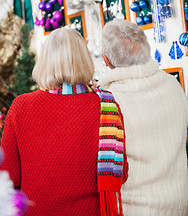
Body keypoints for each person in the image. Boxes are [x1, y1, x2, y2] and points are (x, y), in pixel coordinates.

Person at [0, 27, 128, 216]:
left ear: (44, 61)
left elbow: (8, 177)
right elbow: (120, 174)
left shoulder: (21, 107)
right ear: (84, 60)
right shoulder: (106, 106)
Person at [99, 18, 188, 216]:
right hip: (180, 202)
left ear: (106, 59)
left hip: (137, 208)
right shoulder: (173, 85)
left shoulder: (109, 101)